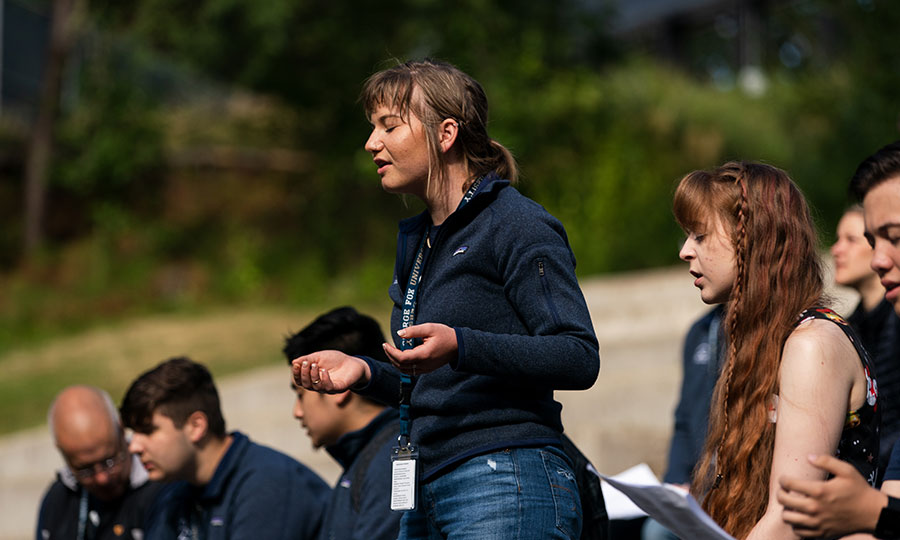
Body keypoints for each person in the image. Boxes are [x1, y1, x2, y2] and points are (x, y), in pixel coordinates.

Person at [290, 59, 600, 539]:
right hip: (426, 489)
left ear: (446, 133)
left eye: (389, 126)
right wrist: (366, 372)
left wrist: (461, 344)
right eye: (373, 129)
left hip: (504, 480)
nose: (372, 143)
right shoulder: (417, 243)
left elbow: (578, 356)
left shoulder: (515, 224)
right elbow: (435, 384)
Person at [674, 161, 879, 539]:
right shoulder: (764, 340)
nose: (686, 250)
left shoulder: (811, 344)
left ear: (753, 238)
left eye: (700, 236)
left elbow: (789, 517)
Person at [778, 140, 900, 539]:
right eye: (872, 239)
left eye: (895, 237)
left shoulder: (819, 339)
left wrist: (873, 511)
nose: (879, 257)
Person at [120, 356, 329, 540]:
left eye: (147, 431)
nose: (134, 446)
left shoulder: (270, 487)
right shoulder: (171, 495)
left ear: (196, 426)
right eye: (133, 433)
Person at [283, 306, 401, 540]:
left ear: (334, 385)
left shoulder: (391, 462)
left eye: (300, 394)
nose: (297, 412)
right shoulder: (362, 460)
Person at [640, 305, 725, 540]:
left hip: (738, 486)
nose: (690, 266)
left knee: (657, 532)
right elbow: (684, 418)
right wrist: (675, 484)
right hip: (697, 485)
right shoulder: (701, 330)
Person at [36, 385, 162, 540]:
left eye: (109, 461)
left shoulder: (163, 486)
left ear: (121, 430)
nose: (102, 478)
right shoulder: (58, 502)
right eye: (86, 470)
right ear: (63, 454)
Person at [833, 205, 900, 473]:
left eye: (850, 240)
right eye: (837, 240)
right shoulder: (847, 328)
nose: (836, 250)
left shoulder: (896, 323)